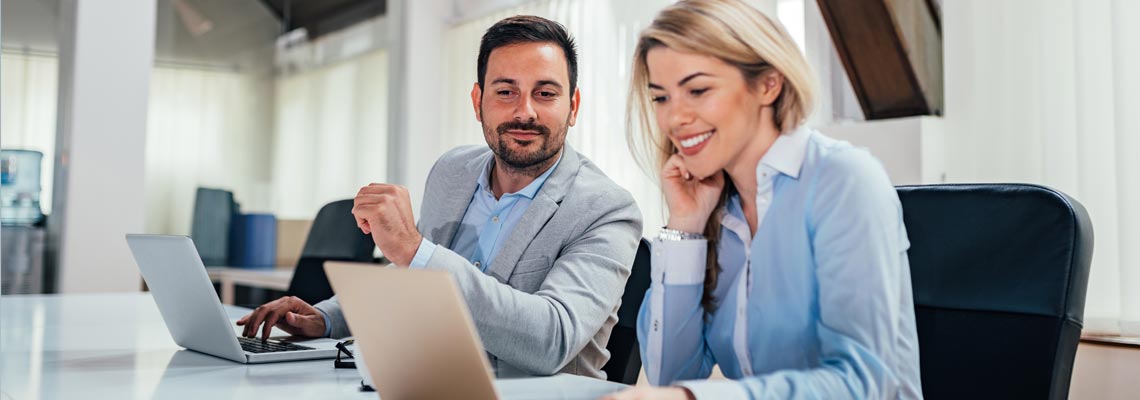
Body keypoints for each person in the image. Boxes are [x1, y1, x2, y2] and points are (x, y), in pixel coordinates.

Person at [236, 15, 643, 379]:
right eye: (505, 92)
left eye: (545, 93)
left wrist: (414, 250)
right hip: (423, 380)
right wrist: (327, 318)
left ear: (572, 106)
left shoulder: (606, 208)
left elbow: (551, 340)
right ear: (477, 102)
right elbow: (412, 279)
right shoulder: (452, 172)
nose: (525, 112)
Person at [605, 0, 922, 398]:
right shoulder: (719, 206)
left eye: (698, 90)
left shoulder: (843, 181)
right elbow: (671, 373)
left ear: (768, 84)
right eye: (661, 98)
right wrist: (685, 227)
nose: (674, 118)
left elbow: (862, 385)